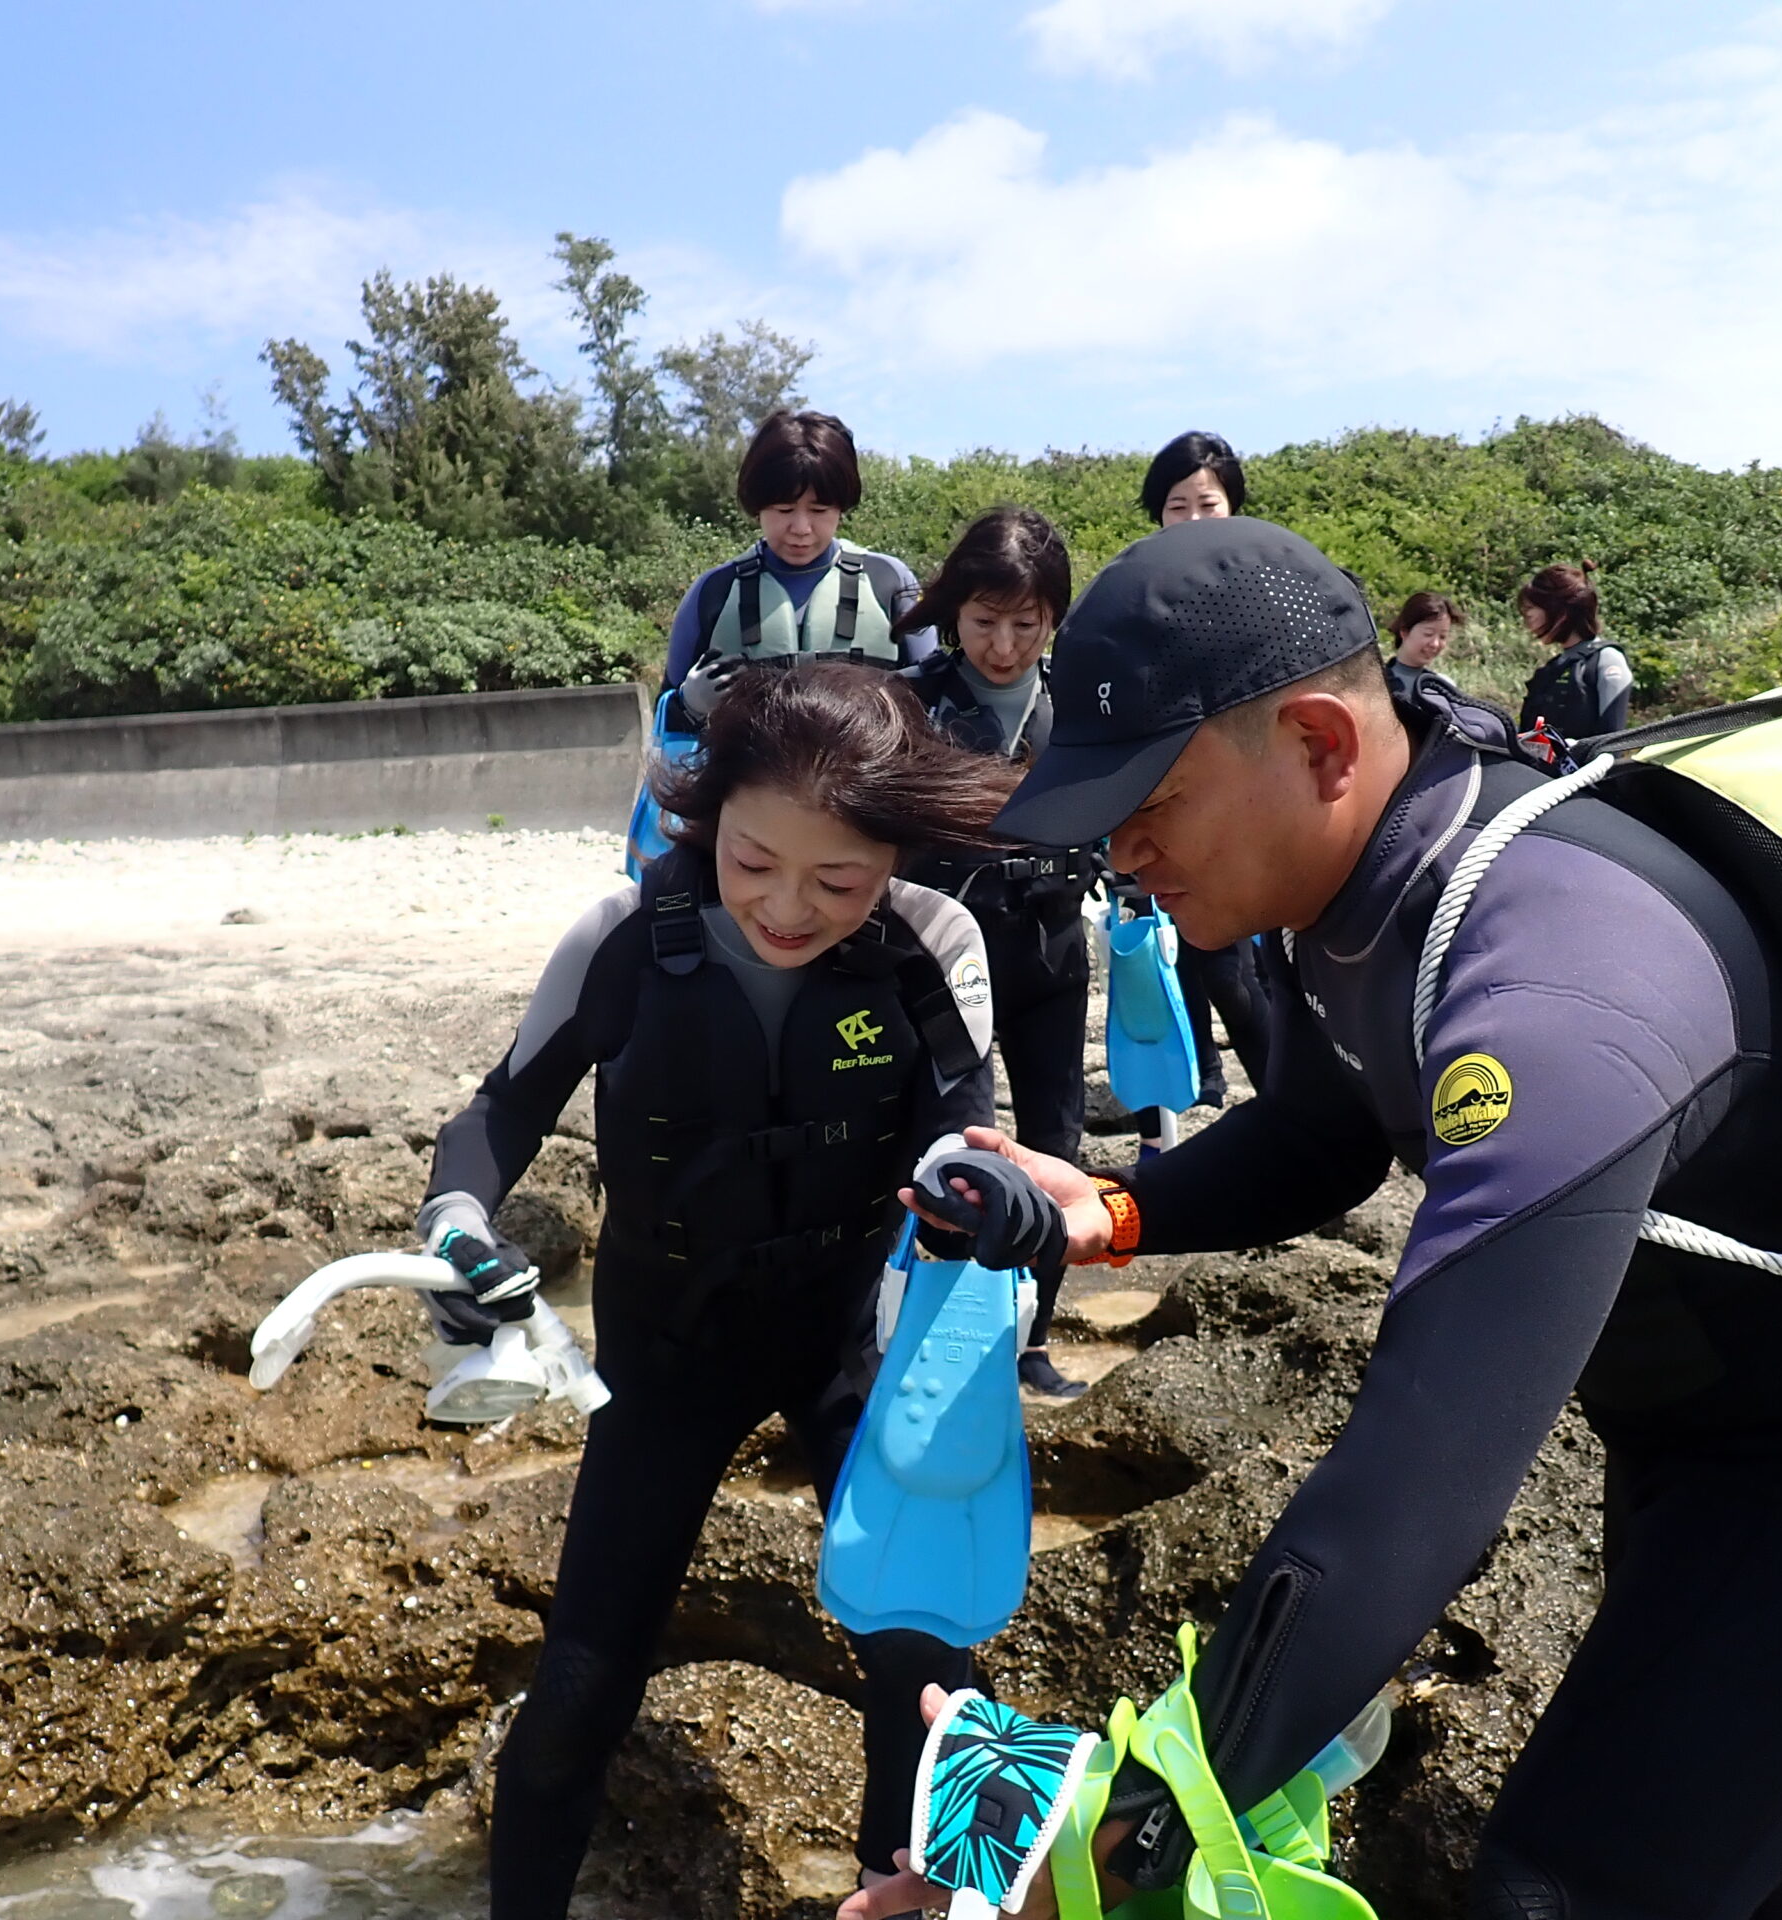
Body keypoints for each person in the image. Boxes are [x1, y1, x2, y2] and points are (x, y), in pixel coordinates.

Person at [847, 516, 1782, 1920]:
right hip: (1701, 1422)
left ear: (1320, 742)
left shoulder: (1547, 983)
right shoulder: (1357, 906)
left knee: (1565, 1886)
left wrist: (1126, 1835)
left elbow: (1420, 1477)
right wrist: (1104, 1212)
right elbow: (1321, 1133)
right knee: (1732, 1852)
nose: (1122, 853)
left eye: (1148, 802)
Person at [423, 659, 1017, 1918]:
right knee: (583, 1677)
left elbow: (972, 1137)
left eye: (838, 880)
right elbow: (498, 1113)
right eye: (754, 863)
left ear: (891, 857)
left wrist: (985, 1201)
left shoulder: (934, 944)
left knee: (926, 1669)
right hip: (663, 1359)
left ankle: (904, 1904)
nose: (788, 907)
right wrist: (455, 1229)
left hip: (851, 1349)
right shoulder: (624, 937)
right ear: (706, 820)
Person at [895, 506, 1103, 1399]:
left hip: (1054, 956)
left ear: (1054, 618)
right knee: (958, 1144)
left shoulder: (1086, 703)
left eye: (1027, 624)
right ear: (953, 615)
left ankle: (1028, 1339)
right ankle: (935, 1335)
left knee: (1058, 1139)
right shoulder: (913, 704)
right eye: (985, 622)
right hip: (946, 966)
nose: (1005, 645)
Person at [1134, 430, 1272, 1108]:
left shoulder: (1268, 592)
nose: (1191, 520)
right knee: (1188, 954)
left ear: (1234, 508)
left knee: (1233, 966)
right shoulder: (1139, 600)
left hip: (1251, 806)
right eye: (1176, 505)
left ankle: (1285, 1093)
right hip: (1170, 804)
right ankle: (1209, 1084)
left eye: (1207, 504)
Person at [659, 410, 935, 724]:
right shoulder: (713, 593)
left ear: (841, 508)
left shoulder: (889, 582)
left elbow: (938, 701)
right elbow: (665, 723)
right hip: (752, 770)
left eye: (818, 510)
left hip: (868, 771)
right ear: (758, 507)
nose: (801, 528)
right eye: (784, 509)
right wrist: (687, 705)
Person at [1517, 562, 1633, 740]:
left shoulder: (1607, 660)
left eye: (1530, 610)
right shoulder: (1555, 667)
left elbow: (1612, 742)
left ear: (1561, 612)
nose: (1527, 621)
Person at [1384, 589, 1464, 702]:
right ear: (1405, 632)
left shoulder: (1443, 687)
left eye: (1442, 636)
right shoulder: (1377, 682)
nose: (1435, 644)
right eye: (1428, 634)